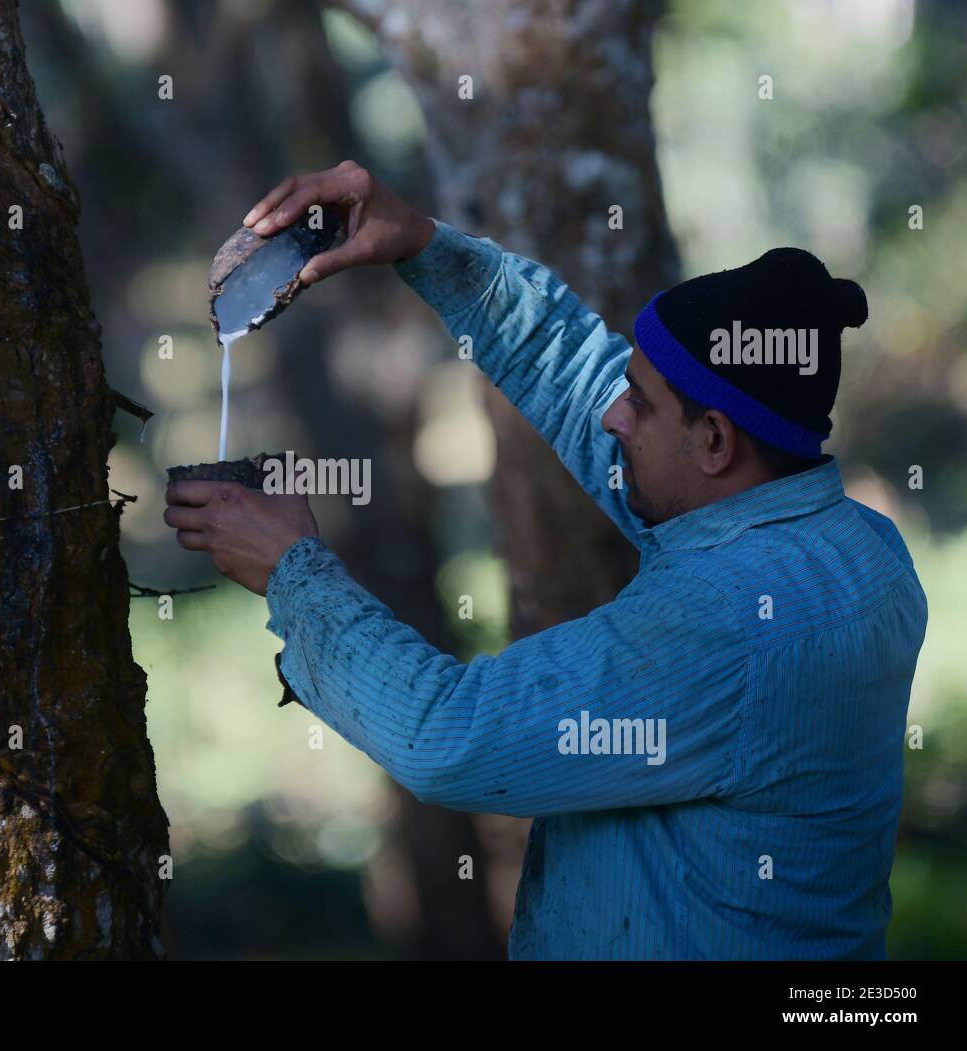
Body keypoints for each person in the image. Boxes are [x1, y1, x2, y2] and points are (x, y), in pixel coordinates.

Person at [163, 161, 928, 960]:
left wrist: (293, 569)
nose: (614, 417)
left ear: (713, 443)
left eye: (640, 399)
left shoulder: (731, 623)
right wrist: (420, 242)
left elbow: (448, 738)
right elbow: (576, 377)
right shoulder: (848, 544)